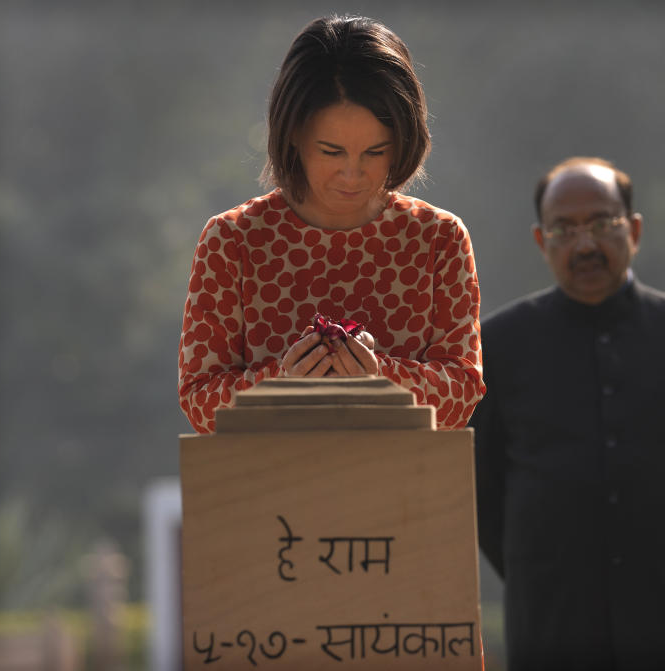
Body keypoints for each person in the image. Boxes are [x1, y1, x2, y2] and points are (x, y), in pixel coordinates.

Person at [471, 157, 665, 670]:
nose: (585, 245)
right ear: (541, 241)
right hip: (552, 624)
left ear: (635, 229)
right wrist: (542, 567)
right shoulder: (499, 346)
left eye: (602, 224)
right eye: (564, 229)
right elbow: (480, 492)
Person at [178, 15, 484, 433]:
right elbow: (199, 400)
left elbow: (463, 392)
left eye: (375, 152)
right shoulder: (232, 241)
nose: (352, 174)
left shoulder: (439, 239)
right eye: (331, 152)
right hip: (269, 489)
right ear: (292, 135)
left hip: (408, 488)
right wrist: (281, 383)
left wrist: (381, 375)